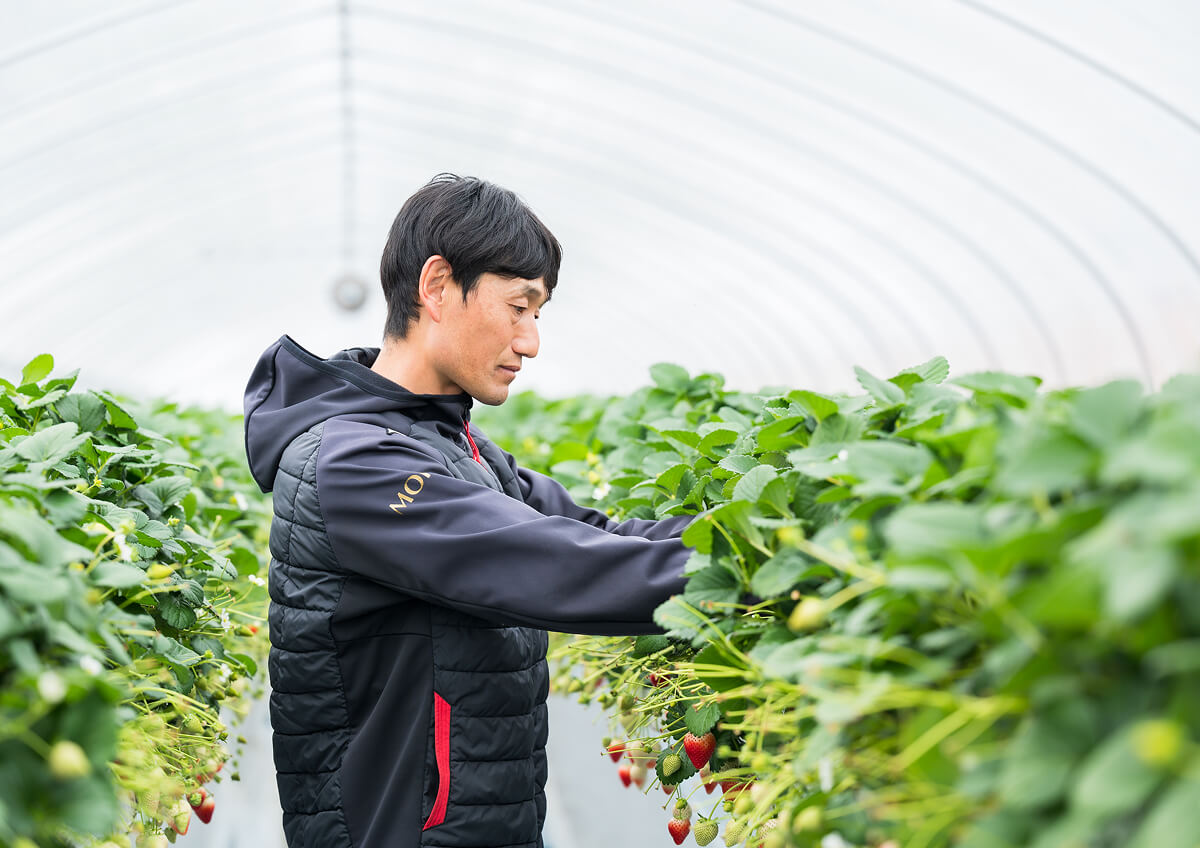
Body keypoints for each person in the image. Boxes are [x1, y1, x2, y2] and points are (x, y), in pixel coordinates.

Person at [243, 174, 692, 848]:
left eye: (538, 314)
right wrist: (741, 576)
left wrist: (765, 541)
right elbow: (556, 566)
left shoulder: (456, 447)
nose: (530, 341)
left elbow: (593, 534)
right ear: (436, 286)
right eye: (518, 307)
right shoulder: (354, 466)